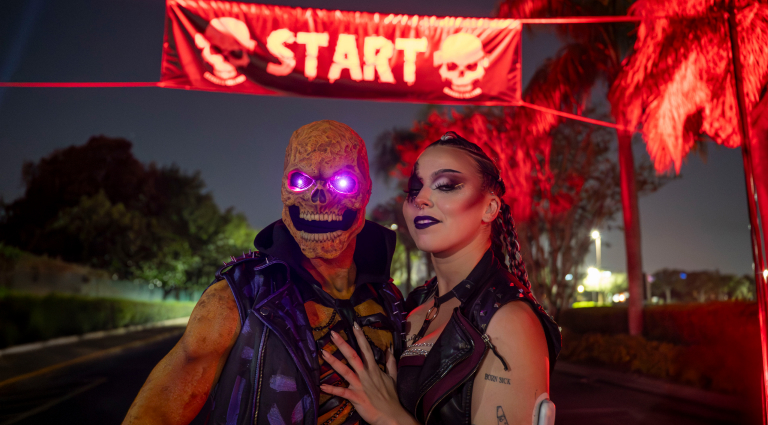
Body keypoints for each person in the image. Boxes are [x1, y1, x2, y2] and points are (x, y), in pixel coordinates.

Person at [122, 120, 405, 425]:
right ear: (283, 188)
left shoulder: (390, 299)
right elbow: (162, 409)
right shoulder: (241, 293)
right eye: (301, 181)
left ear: (365, 191)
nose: (319, 196)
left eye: (343, 182)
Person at [318, 132, 561, 425]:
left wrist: (390, 417)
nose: (421, 199)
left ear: (490, 208)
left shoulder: (508, 320)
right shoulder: (410, 305)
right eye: (414, 189)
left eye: (445, 186)